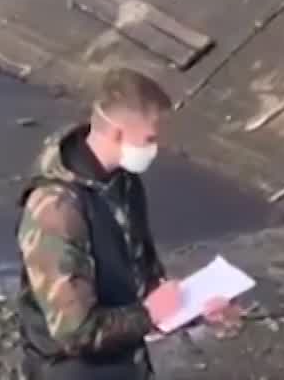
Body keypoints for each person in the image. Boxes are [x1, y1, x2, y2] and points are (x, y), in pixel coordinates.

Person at [16, 67, 240, 379]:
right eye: (150, 138)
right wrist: (149, 314)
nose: (155, 148)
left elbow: (142, 276)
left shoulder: (124, 183)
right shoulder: (55, 209)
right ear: (117, 133)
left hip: (125, 361)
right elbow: (74, 331)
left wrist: (194, 307)